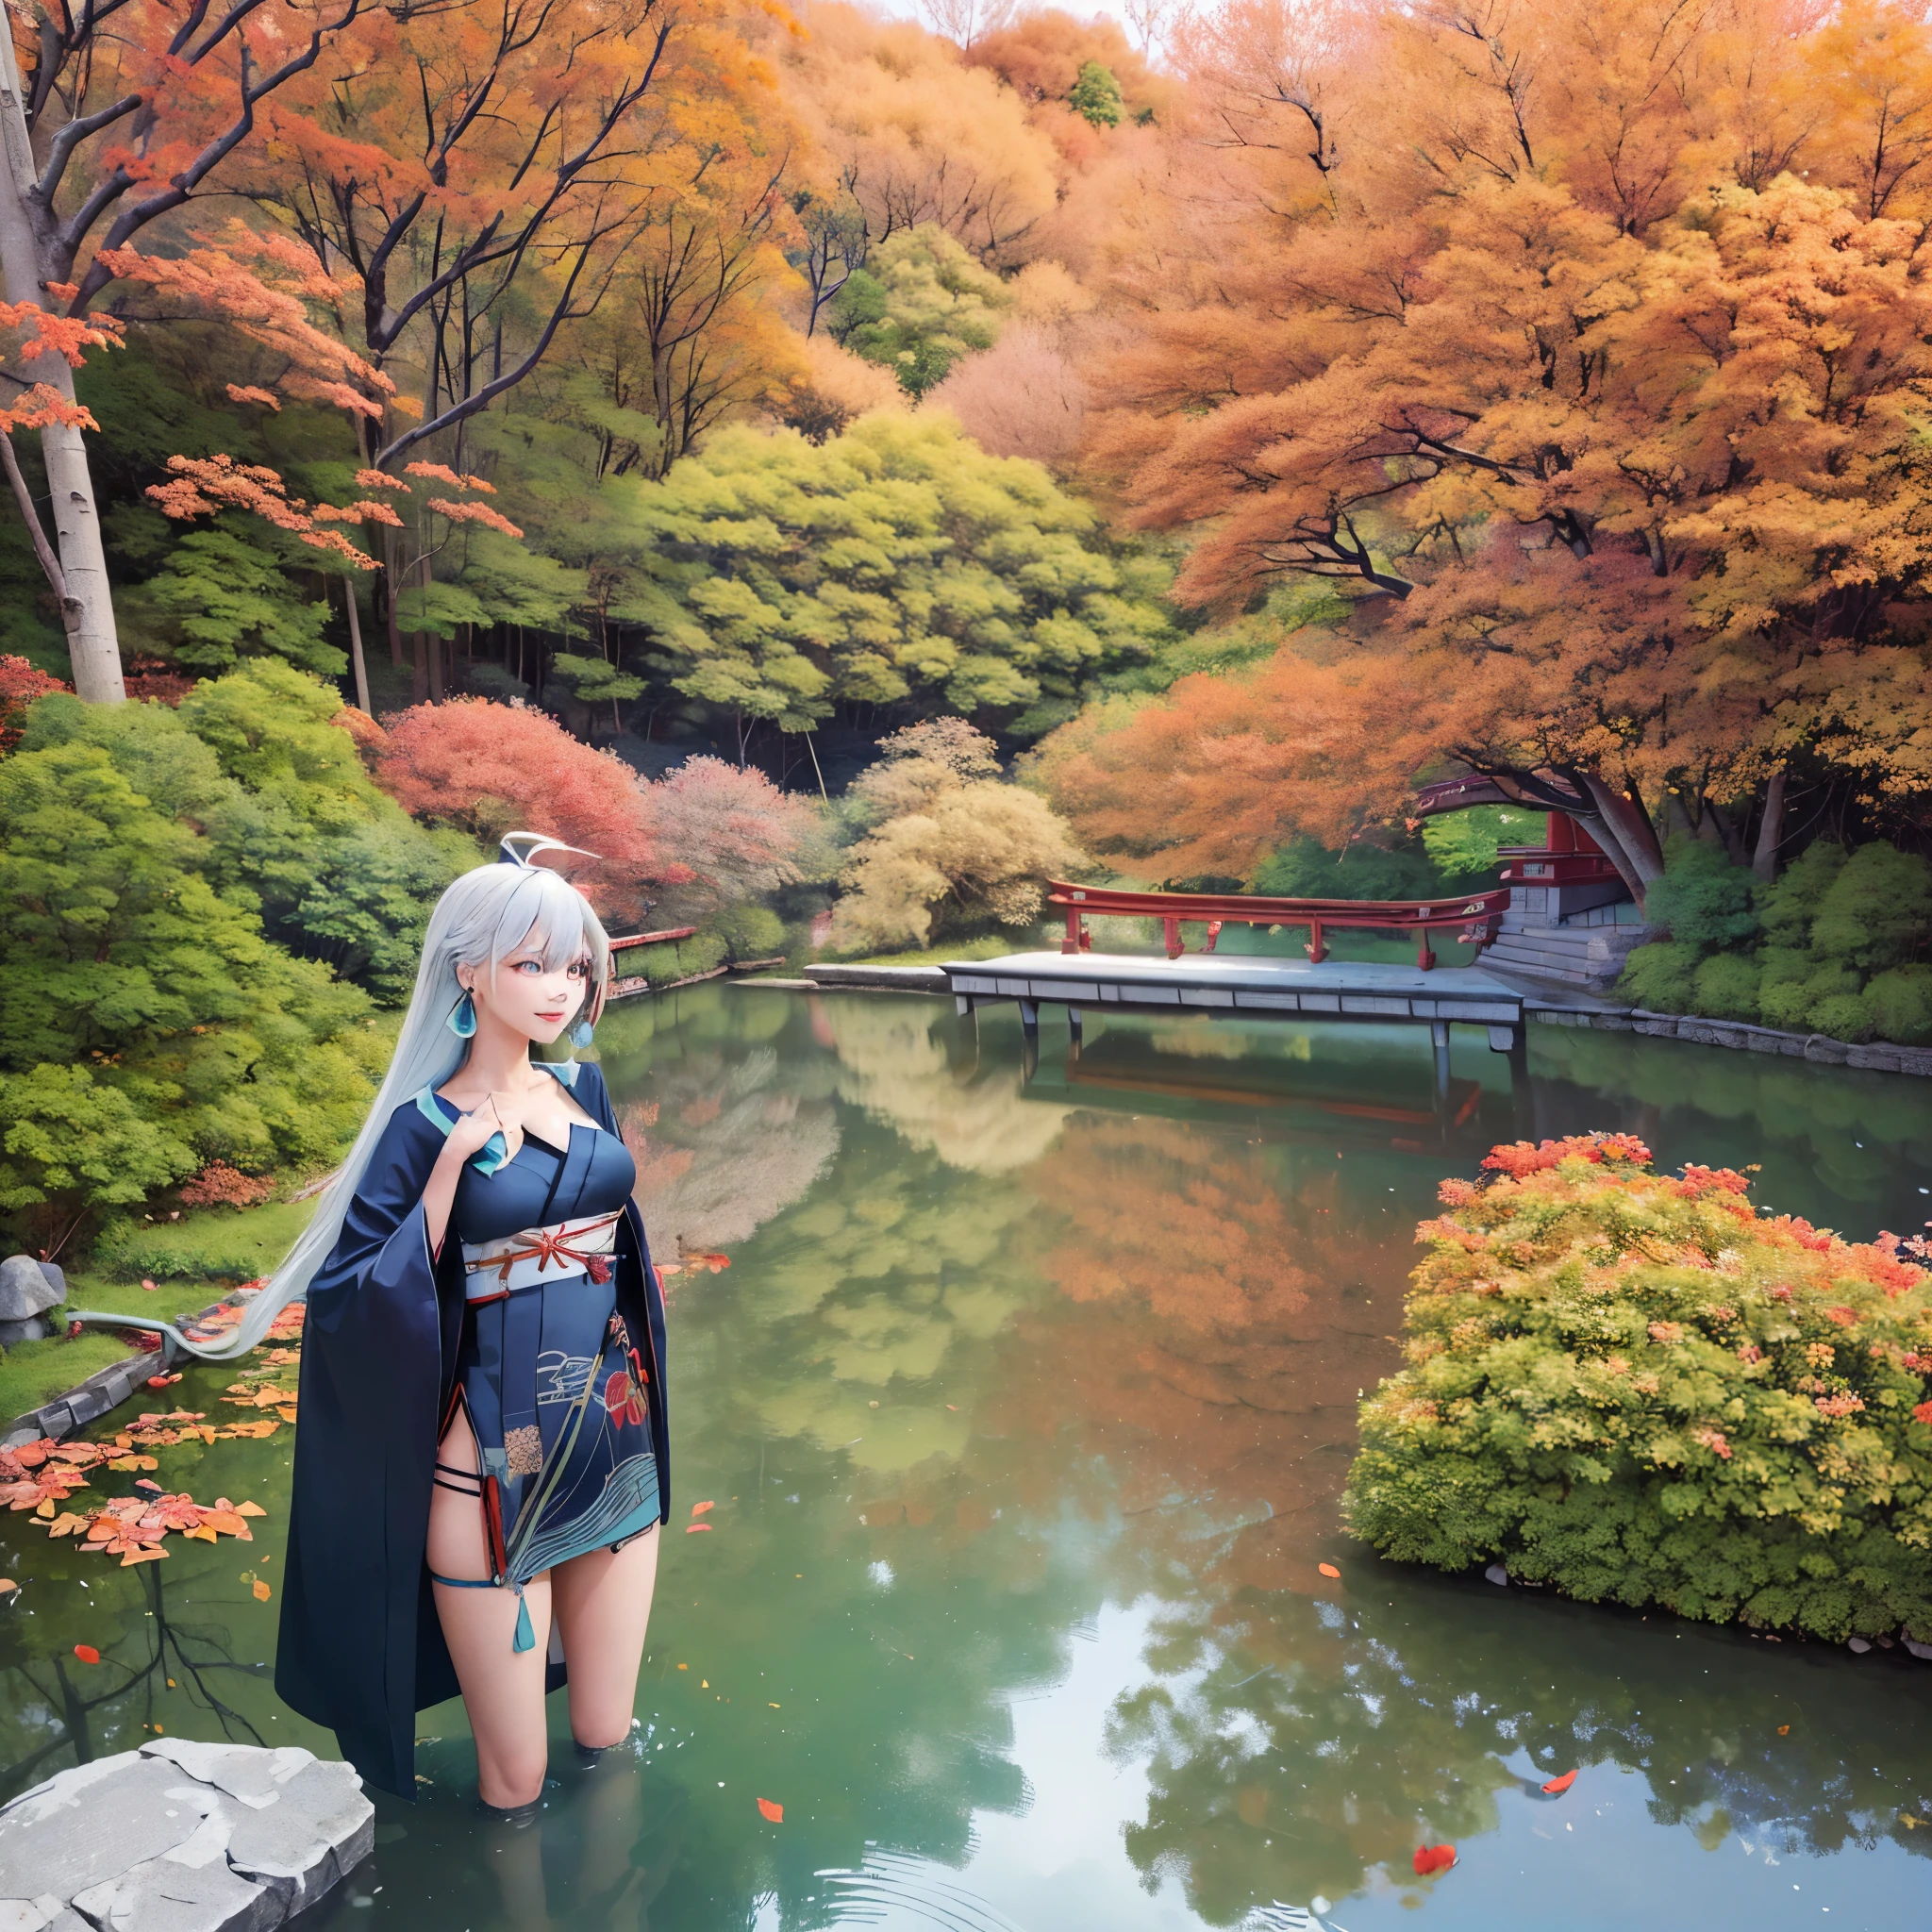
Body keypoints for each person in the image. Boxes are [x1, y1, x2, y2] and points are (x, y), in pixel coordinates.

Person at [100, 837, 669, 1808]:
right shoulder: (420, 1124)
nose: (560, 988)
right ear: (468, 970)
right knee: (517, 1777)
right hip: (496, 1457)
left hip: (613, 1434)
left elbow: (618, 1255)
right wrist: (450, 1171)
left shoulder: (583, 1090)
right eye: (531, 963)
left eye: (574, 965)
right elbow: (352, 1296)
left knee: (606, 1732)